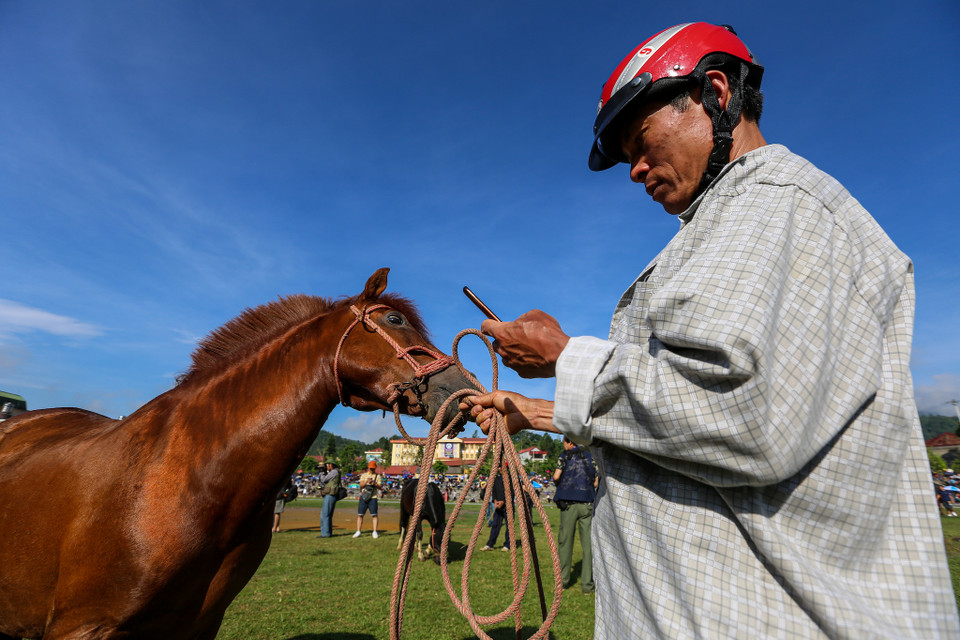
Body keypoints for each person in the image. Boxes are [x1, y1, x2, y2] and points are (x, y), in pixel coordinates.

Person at [462, 22, 960, 639]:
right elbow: (684, 427)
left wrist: (566, 359)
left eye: (640, 141)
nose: (636, 170)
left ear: (716, 93)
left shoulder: (774, 204)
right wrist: (536, 408)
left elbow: (742, 411)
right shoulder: (736, 216)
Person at [553, 437, 597, 593]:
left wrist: (561, 486)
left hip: (569, 505)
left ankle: (563, 582)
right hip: (587, 503)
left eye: (564, 443)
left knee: (565, 543)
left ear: (569, 442)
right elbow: (596, 482)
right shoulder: (591, 456)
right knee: (588, 546)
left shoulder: (565, 456)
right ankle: (587, 585)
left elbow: (556, 476)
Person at [480, 473, 510, 552]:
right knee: (495, 525)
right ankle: (490, 544)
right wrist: (495, 501)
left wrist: (503, 501)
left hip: (508, 506)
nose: (500, 469)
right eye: (499, 467)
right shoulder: (496, 478)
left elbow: (511, 491)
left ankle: (507, 545)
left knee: (509, 527)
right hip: (498, 506)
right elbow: (494, 491)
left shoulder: (510, 478)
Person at [354, 460, 382, 538]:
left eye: (373, 468)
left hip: (373, 497)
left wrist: (374, 483)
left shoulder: (378, 476)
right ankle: (358, 531)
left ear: (375, 468)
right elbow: (360, 485)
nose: (371, 470)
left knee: (374, 515)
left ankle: (375, 531)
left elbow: (380, 486)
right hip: (364, 497)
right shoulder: (364, 475)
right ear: (368, 467)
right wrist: (366, 481)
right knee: (360, 515)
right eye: (370, 468)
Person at [318, 461, 340, 538]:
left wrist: (321, 473)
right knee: (328, 515)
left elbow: (324, 480)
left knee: (325, 514)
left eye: (327, 465)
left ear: (331, 465)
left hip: (330, 495)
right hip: (331, 494)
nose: (326, 466)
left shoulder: (334, 472)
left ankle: (325, 534)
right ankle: (328, 533)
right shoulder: (335, 471)